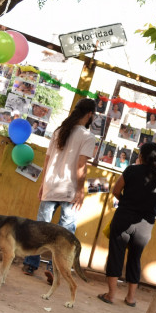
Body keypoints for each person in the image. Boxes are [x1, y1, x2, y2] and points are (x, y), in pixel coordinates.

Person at [22, 98, 96, 282]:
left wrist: (42, 184)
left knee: (41, 228)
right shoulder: (87, 136)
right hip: (69, 190)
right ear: (90, 115)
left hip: (51, 185)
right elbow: (81, 166)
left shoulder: (58, 132)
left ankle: (30, 265)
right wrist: (80, 190)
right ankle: (55, 271)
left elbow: (47, 160)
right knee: (65, 234)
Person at [97, 142, 156, 307]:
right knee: (135, 259)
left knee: (116, 255)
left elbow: (116, 191)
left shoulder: (131, 170)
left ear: (141, 156)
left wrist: (127, 203)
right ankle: (130, 298)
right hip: (145, 225)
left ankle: (111, 295)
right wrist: (146, 207)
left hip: (123, 218)